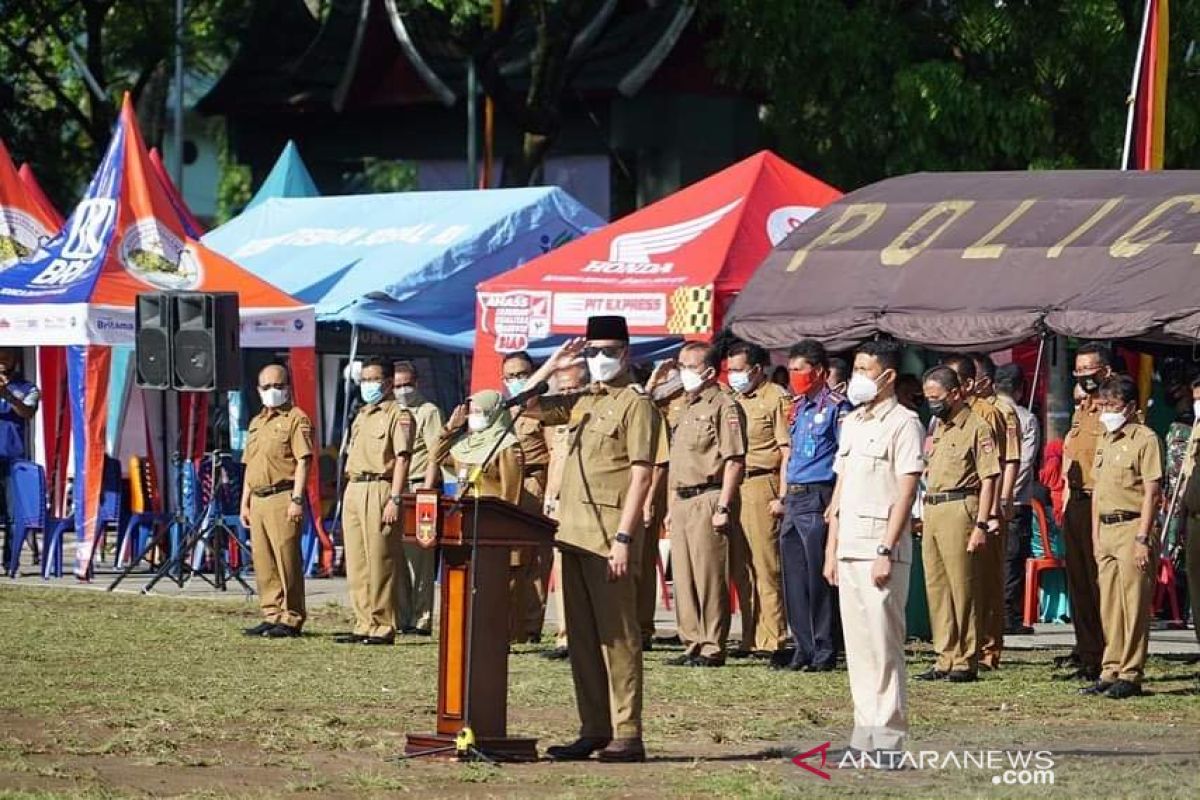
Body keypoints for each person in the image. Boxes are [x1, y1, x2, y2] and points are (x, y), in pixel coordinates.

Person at [528, 316, 658, 763]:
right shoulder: (584, 400)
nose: (599, 359)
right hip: (573, 534)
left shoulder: (636, 403)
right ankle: (593, 728)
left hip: (609, 537)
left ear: (626, 353)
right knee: (581, 639)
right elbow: (522, 408)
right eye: (592, 351)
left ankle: (628, 731)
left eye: (608, 351)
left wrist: (625, 536)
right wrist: (549, 368)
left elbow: (642, 472)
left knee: (618, 637)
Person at [823, 339, 923, 757]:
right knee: (860, 648)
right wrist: (831, 548)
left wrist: (887, 547)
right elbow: (840, 492)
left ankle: (889, 736)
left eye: (865, 370)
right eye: (856, 369)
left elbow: (906, 491)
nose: (857, 378)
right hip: (848, 546)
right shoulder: (853, 422)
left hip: (881, 547)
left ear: (887, 376)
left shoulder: (904, 423)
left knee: (884, 647)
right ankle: (864, 731)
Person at [664, 341, 747, 668]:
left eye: (690, 366)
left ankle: (712, 645)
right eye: (680, 365)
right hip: (683, 499)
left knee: (710, 575)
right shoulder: (684, 405)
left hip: (709, 497)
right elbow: (678, 462)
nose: (683, 372)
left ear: (710, 371)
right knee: (683, 576)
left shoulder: (724, 405)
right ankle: (691, 641)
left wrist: (724, 506)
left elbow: (734, 460)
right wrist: (671, 506)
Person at [427, 390, 534, 643]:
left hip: (493, 529)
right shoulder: (466, 444)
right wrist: (450, 428)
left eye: (478, 412)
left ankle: (502, 636)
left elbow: (511, 494)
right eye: (471, 412)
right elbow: (436, 457)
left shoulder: (507, 447)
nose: (473, 417)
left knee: (499, 587)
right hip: (466, 525)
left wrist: (505, 532)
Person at [916, 366, 1000, 683]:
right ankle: (944, 655)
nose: (931, 403)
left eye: (936, 397)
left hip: (961, 506)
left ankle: (966, 658)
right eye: (927, 398)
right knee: (937, 587)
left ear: (955, 393)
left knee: (963, 586)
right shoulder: (939, 426)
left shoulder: (977, 427)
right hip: (934, 508)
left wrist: (982, 523)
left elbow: (990, 477)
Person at [1081, 375, 1161, 699]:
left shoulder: (1145, 439)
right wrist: (1096, 536)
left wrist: (1143, 537)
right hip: (1107, 529)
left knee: (1133, 604)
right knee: (1110, 605)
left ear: (1129, 407)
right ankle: (1110, 668)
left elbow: (1152, 492)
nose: (1106, 412)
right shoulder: (1105, 437)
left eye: (1112, 406)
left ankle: (1131, 672)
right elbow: (1098, 490)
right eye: (1103, 405)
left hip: (1132, 528)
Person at [777, 339, 850, 671]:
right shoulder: (797, 406)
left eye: (799, 369)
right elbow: (790, 452)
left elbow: (843, 457)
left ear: (819, 371)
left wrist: (834, 502)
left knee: (818, 577)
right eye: (791, 369)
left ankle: (824, 648)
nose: (794, 375)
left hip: (819, 492)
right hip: (793, 496)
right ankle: (802, 647)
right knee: (793, 576)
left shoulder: (837, 406)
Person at [943, 353, 1018, 671]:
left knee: (986, 579)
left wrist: (998, 508)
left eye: (952, 381)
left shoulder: (994, 413)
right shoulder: (946, 415)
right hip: (952, 506)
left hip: (984, 503)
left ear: (969, 383)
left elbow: (1006, 462)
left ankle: (988, 649)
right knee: (956, 581)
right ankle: (956, 647)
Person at [336, 359, 414, 646]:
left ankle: (383, 624)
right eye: (364, 379)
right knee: (356, 560)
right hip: (355, 487)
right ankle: (363, 621)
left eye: (374, 379)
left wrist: (395, 497)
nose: (369, 385)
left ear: (388, 382)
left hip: (381, 486)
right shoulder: (361, 414)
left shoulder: (398, 414)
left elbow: (403, 458)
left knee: (381, 558)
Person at [725, 340, 790, 660]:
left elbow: (786, 450)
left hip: (763, 481)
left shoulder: (775, 398)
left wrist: (783, 494)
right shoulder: (732, 399)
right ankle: (749, 636)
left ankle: (772, 637)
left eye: (738, 370)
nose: (733, 375)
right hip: (734, 485)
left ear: (756, 369)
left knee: (766, 565)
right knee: (741, 567)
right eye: (730, 370)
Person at [239, 364, 313, 638]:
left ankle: (291, 616)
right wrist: (244, 502)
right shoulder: (256, 423)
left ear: (288, 387)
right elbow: (250, 465)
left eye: (279, 386)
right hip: (258, 498)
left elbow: (303, 461)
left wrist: (297, 498)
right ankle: (271, 613)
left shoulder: (296, 419)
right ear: (258, 391)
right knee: (264, 560)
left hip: (282, 495)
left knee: (286, 558)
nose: (273, 391)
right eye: (267, 387)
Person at [1058, 342, 1113, 680]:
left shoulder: (1114, 403)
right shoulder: (1083, 406)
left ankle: (1110, 656)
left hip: (1101, 500)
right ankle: (1088, 654)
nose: (1082, 377)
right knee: (1078, 581)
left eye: (1087, 370)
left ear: (1104, 370)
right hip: (1077, 500)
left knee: (1100, 582)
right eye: (1078, 371)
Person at [503, 351, 553, 643]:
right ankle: (510, 624)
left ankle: (531, 626)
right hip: (508, 488)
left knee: (536, 559)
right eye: (510, 376)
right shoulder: (502, 411)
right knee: (512, 559)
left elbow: (554, 452)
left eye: (522, 375)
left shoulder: (543, 411)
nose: (516, 381)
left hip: (535, 482)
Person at [540, 363, 588, 661]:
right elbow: (554, 457)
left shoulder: (593, 411)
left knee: (585, 571)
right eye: (564, 388)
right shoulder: (556, 418)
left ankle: (585, 637)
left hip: (585, 500)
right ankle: (564, 635)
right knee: (561, 570)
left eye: (573, 387)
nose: (568, 393)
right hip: (558, 500)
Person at [392, 360, 443, 636]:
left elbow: (436, 451)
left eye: (406, 384)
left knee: (420, 558)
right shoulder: (391, 412)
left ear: (417, 383)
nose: (402, 391)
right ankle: (401, 617)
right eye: (397, 385)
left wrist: (426, 490)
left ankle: (421, 619)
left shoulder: (428, 411)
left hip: (417, 488)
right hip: (393, 490)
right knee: (397, 557)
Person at [994, 363, 1040, 635]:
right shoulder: (1025, 418)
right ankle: (1007, 616)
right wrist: (1006, 496)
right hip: (1014, 502)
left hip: (984, 500)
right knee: (1011, 559)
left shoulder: (983, 412)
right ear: (1020, 390)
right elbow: (1024, 461)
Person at [0, 348, 40, 563]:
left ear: (15, 360)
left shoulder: (28, 388)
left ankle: (10, 561)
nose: (2, 362)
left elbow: (27, 412)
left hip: (13, 459)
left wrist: (8, 395)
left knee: (13, 514)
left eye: (6, 357)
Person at [1179, 376, 1200, 650]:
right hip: (1194, 519)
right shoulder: (1195, 430)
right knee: (1196, 587)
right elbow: (1187, 476)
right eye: (1196, 399)